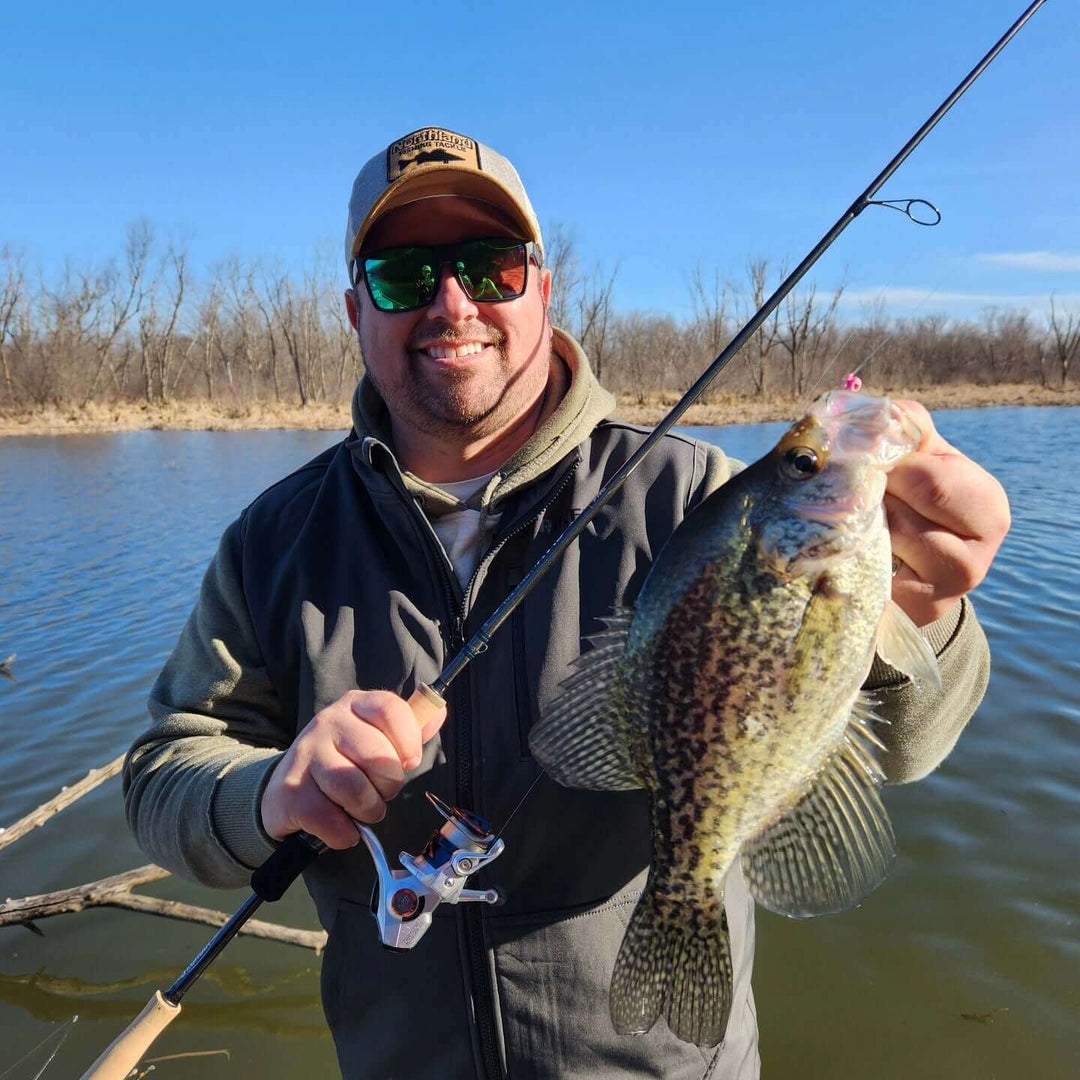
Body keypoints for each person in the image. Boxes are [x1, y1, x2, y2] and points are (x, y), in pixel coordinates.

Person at [124, 127, 1010, 1079]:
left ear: (543, 288)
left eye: (490, 266)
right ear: (355, 310)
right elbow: (162, 775)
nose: (453, 302)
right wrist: (268, 795)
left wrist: (924, 609)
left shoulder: (697, 499)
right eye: (403, 275)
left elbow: (912, 745)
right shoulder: (275, 540)